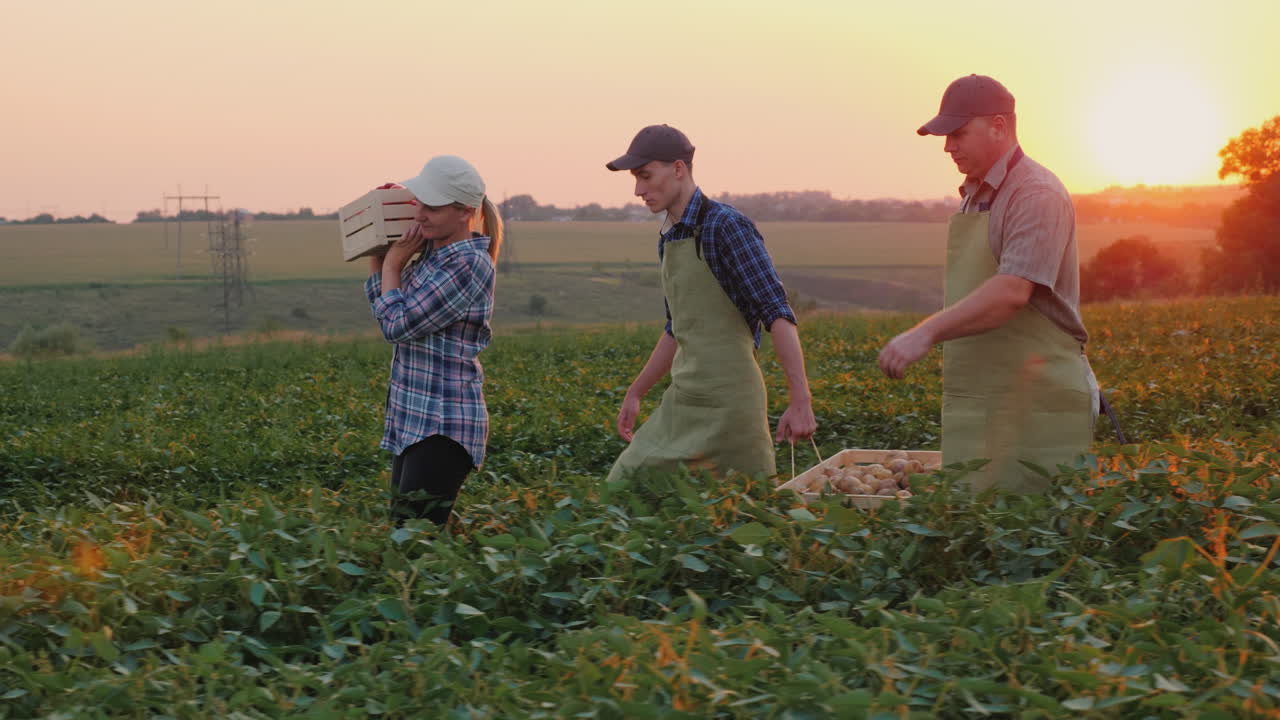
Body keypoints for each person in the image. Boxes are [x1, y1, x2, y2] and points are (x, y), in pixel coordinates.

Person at [877, 75, 1098, 493]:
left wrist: (924, 333)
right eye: (945, 136)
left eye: (958, 133)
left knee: (1035, 537)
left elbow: (1012, 292)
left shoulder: (1035, 193)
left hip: (1038, 405)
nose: (948, 147)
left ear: (999, 126)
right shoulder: (975, 193)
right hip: (989, 397)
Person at [604, 124, 817, 483]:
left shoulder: (725, 226)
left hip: (732, 403)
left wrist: (801, 402)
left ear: (678, 169)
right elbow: (677, 328)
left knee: (744, 507)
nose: (638, 190)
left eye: (644, 176)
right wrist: (636, 392)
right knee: (624, 484)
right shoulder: (669, 237)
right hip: (685, 399)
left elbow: (777, 314)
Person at [364, 155, 502, 525]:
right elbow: (385, 309)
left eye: (433, 207)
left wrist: (392, 266)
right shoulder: (427, 257)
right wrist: (379, 255)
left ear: (465, 212)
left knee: (413, 540)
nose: (421, 213)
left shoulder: (469, 264)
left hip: (444, 423)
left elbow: (396, 325)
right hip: (414, 416)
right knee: (405, 534)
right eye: (419, 203)